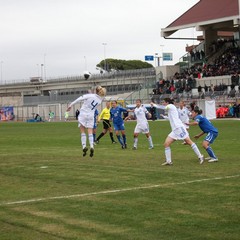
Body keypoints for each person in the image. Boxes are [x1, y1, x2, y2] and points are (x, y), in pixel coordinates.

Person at [159, 98, 203, 165]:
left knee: (188, 141)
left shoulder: (170, 106)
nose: (163, 103)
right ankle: (169, 161)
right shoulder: (171, 109)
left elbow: (163, 107)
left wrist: (154, 105)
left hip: (179, 128)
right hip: (175, 130)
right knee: (166, 144)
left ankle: (200, 156)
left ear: (167, 102)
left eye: (164, 102)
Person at [66, 86, 106, 157]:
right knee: (90, 131)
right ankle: (91, 146)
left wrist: (70, 105)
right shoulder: (100, 100)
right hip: (91, 115)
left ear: (95, 91)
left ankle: (84, 146)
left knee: (82, 130)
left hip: (83, 114)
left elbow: (80, 98)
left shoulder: (90, 95)